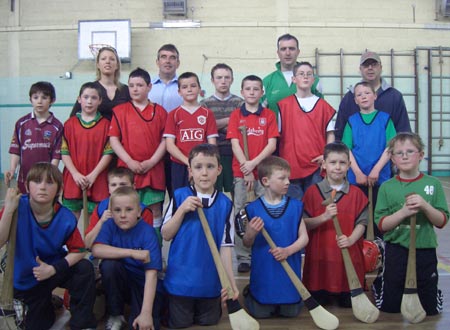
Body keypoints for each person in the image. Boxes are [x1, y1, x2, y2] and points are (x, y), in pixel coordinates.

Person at [0, 163, 97, 330]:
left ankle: (82, 323)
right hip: (25, 278)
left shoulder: (65, 217)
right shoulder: (16, 207)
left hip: (51, 270)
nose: (43, 187)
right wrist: (8, 209)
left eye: (50, 182)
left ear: (59, 189)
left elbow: (79, 251)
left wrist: (53, 269)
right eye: (37, 181)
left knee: (84, 268)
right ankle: (48, 301)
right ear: (28, 186)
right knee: (37, 324)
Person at [161, 144, 238, 329]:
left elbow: (225, 247)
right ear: (190, 170)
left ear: (219, 170)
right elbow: (165, 234)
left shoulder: (226, 204)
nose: (204, 173)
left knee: (209, 322)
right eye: (198, 167)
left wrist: (231, 284)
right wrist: (181, 211)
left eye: (210, 167)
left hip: (209, 284)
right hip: (180, 282)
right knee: (181, 323)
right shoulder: (179, 197)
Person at [372, 132, 449, 316]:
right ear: (392, 158)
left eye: (410, 151)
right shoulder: (387, 187)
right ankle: (380, 283)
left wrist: (425, 206)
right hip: (396, 249)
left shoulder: (433, 184)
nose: (404, 156)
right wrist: (403, 212)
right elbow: (382, 224)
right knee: (390, 308)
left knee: (430, 310)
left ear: (421, 155)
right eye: (399, 153)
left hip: (425, 249)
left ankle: (433, 292)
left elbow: (442, 221)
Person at [302, 142, 368, 307]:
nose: (337, 167)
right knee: (319, 301)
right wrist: (324, 217)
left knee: (348, 304)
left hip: (348, 262)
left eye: (342, 163)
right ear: (324, 164)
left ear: (349, 165)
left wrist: (351, 239)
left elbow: (362, 223)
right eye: (332, 162)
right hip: (320, 262)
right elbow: (304, 224)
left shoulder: (357, 194)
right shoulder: (311, 192)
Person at [241, 156, 308, 318]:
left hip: (288, 274)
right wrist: (251, 232)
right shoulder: (253, 209)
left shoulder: (296, 206)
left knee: (291, 313)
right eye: (282, 178)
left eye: (288, 178)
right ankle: (251, 292)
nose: (287, 182)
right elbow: (247, 243)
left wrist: (287, 251)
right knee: (261, 314)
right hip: (265, 275)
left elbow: (304, 238)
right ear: (265, 181)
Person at [227, 75, 279, 273]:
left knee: (265, 210)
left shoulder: (268, 116)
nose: (251, 92)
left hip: (264, 173)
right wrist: (245, 168)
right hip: (241, 174)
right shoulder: (235, 116)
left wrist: (254, 164)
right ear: (242, 92)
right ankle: (243, 256)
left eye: (256, 89)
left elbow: (271, 144)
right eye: (247, 89)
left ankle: (264, 250)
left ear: (262, 92)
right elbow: (234, 144)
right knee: (241, 212)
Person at [92, 186, 162, 330]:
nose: (122, 215)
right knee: (108, 265)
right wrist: (130, 252)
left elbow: (152, 274)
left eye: (129, 210)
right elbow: (96, 249)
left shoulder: (148, 232)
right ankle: (115, 314)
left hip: (142, 285)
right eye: (117, 210)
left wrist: (146, 313)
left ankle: (144, 311)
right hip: (121, 282)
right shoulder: (110, 225)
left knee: (142, 325)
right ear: (111, 212)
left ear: (138, 212)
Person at [109, 67, 167, 237]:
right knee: (125, 210)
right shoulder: (120, 112)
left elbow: (165, 140)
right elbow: (114, 140)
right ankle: (126, 251)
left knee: (153, 211)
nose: (135, 89)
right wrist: (129, 162)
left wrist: (152, 161)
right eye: (131, 85)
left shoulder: (161, 112)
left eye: (140, 85)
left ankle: (154, 250)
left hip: (153, 169)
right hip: (127, 171)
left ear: (149, 87)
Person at [341, 81, 396, 237]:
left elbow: (390, 148)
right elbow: (347, 149)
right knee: (358, 217)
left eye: (367, 93)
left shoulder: (385, 119)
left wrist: (376, 170)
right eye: (359, 94)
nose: (363, 97)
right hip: (357, 179)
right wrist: (357, 172)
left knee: (379, 217)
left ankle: (379, 252)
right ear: (355, 100)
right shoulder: (352, 121)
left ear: (375, 96)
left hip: (380, 177)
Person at [278, 62, 336, 200]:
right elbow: (279, 136)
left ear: (313, 79)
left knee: (315, 205)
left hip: (316, 164)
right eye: (301, 74)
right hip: (290, 164)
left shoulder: (323, 106)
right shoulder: (283, 105)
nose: (305, 77)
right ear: (294, 79)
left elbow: (331, 134)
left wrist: (326, 156)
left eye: (309, 74)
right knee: (294, 208)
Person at [62, 82, 113, 219]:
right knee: (70, 222)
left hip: (97, 179)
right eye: (85, 97)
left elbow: (108, 153)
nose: (89, 101)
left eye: (94, 98)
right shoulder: (69, 124)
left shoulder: (106, 125)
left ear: (100, 101)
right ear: (79, 99)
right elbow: (64, 152)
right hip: (73, 179)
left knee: (95, 223)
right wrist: (75, 174)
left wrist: (93, 175)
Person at [335, 50, 411, 141]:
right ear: (360, 69)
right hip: (355, 155)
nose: (370, 68)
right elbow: (339, 133)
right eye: (366, 65)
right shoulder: (349, 98)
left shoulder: (394, 97)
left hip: (388, 153)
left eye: (374, 64)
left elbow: (403, 131)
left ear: (381, 67)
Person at [164, 72, 218, 192]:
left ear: (199, 89)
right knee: (180, 198)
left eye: (193, 86)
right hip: (180, 164)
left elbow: (212, 144)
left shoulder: (207, 114)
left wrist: (199, 163)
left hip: (202, 165)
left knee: (201, 198)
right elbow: (169, 145)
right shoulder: (174, 114)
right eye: (184, 87)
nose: (189, 89)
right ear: (179, 92)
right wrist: (189, 163)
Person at [5, 81, 63, 194]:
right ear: (30, 99)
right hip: (24, 178)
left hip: (45, 179)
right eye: (36, 97)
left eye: (44, 97)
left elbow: (56, 155)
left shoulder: (57, 126)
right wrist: (12, 169)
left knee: (44, 208)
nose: (39, 101)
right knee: (24, 207)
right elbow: (15, 149)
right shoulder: (21, 123)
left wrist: (49, 174)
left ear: (52, 100)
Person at [200, 63, 244, 193]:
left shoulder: (240, 103)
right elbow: (204, 128)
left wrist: (215, 124)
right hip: (213, 153)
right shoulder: (204, 104)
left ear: (232, 80)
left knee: (237, 192)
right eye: (219, 78)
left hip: (235, 154)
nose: (223, 81)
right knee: (214, 191)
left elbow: (242, 128)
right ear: (212, 80)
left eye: (227, 77)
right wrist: (229, 121)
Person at [84, 167, 154, 249]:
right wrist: (101, 222)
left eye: (123, 184)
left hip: (134, 255)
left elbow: (148, 245)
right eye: (113, 185)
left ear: (133, 186)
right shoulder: (101, 208)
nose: (118, 188)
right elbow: (87, 245)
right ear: (108, 188)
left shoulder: (143, 211)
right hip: (107, 256)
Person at [148, 44, 183, 202]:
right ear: (157, 62)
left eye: (172, 57)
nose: (168, 61)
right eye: (163, 57)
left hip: (177, 149)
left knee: (177, 194)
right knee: (155, 199)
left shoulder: (185, 87)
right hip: (152, 149)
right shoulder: (148, 88)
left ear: (178, 63)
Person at [262, 33, 323, 119]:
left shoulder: (313, 81)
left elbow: (321, 114)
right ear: (278, 53)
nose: (287, 53)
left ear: (298, 52)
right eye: (283, 49)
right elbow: (259, 114)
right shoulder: (267, 82)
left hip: (305, 132)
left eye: (292, 49)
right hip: (276, 132)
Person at [70, 46, 130, 120]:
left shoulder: (126, 90)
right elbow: (73, 118)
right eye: (103, 59)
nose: (107, 61)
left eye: (112, 59)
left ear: (117, 65)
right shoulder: (89, 90)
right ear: (98, 64)